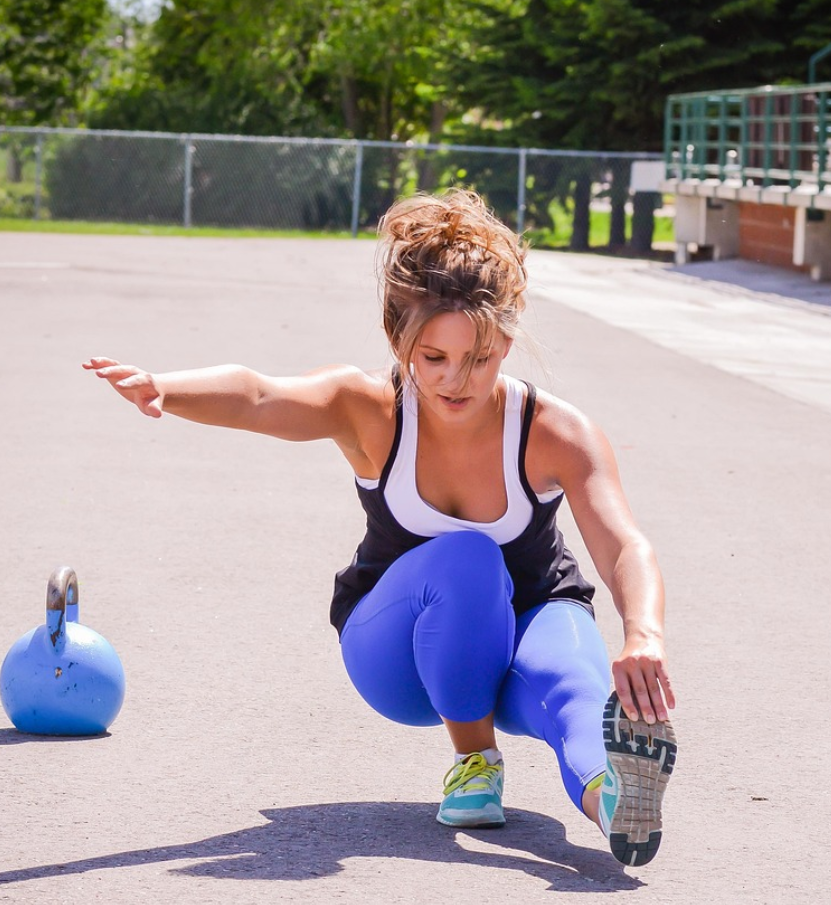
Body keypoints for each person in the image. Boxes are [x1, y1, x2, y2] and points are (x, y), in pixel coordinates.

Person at [83, 188, 677, 868]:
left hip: (521, 636)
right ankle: (473, 757)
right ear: (399, 340)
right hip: (397, 655)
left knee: (576, 688)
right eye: (433, 358)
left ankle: (614, 805)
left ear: (506, 340)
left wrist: (644, 635)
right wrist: (166, 386)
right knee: (468, 558)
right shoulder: (367, 407)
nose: (456, 380)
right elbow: (258, 394)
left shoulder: (556, 431)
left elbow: (623, 543)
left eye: (479, 358)